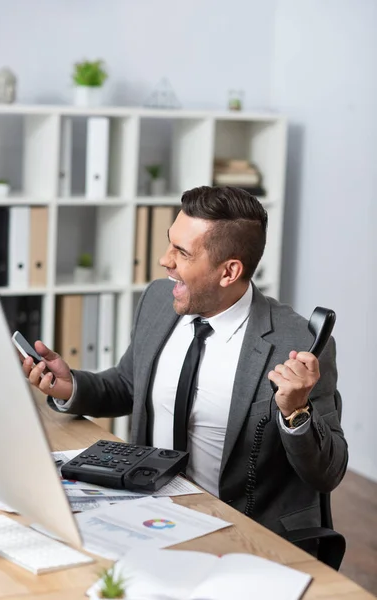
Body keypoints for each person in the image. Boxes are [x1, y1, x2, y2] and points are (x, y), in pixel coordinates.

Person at [23, 186, 348, 538]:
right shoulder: (160, 299)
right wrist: (72, 386)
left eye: (182, 252)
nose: (165, 260)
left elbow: (327, 473)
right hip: (146, 514)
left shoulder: (298, 344)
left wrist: (296, 412)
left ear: (229, 272)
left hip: (241, 533)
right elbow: (130, 383)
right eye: (169, 243)